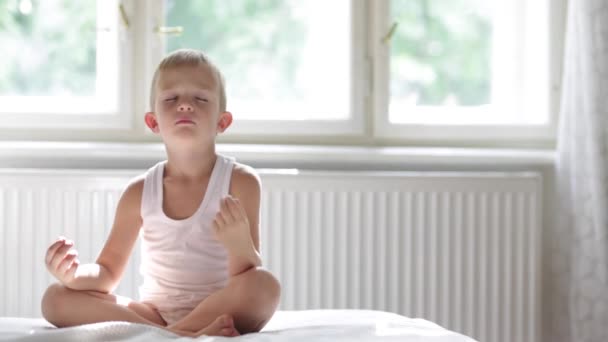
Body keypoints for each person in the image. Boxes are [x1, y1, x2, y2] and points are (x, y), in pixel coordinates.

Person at [41, 49, 281, 337]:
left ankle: (167, 335)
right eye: (171, 99)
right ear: (153, 122)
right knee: (55, 299)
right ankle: (179, 333)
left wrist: (239, 245)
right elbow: (106, 273)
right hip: (154, 313)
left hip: (221, 308)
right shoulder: (139, 192)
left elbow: (248, 273)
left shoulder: (241, 182)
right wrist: (75, 275)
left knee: (264, 285)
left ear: (222, 122)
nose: (185, 106)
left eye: (200, 99)